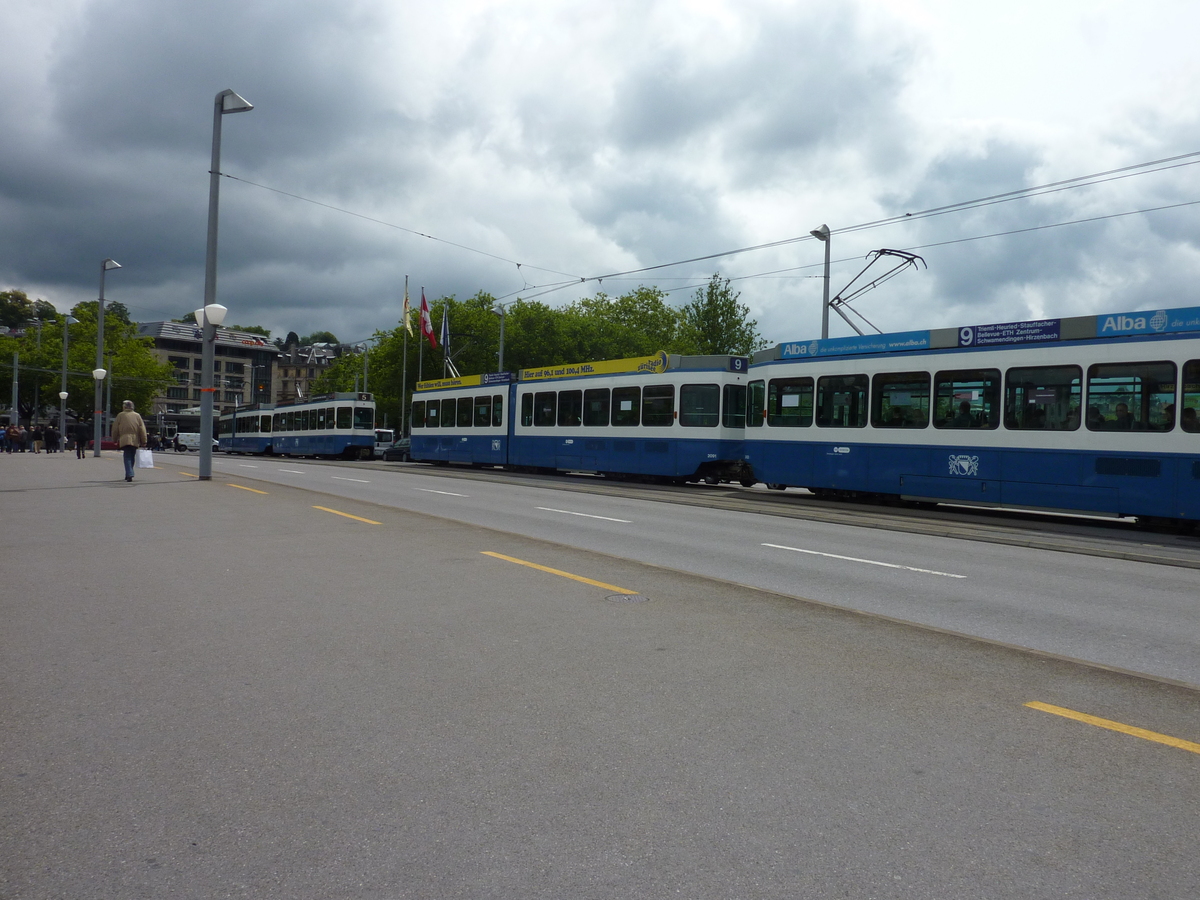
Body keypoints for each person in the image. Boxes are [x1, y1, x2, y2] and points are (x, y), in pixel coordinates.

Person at [111, 399, 147, 482]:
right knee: (132, 456)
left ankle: (129, 473)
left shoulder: (120, 415)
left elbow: (115, 429)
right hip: (135, 439)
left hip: (124, 438)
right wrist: (144, 441)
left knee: (127, 457)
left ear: (124, 407)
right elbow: (142, 429)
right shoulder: (137, 415)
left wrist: (115, 439)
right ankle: (129, 473)